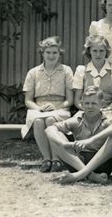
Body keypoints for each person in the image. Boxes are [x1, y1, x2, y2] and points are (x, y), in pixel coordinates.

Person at [45, 86, 112, 184]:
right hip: (78, 164)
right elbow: (49, 129)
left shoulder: (106, 120)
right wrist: (63, 144)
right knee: (55, 137)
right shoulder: (76, 121)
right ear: (82, 105)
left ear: (101, 104)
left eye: (94, 103)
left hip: (101, 165)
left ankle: (80, 175)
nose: (90, 106)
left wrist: (91, 140)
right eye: (87, 103)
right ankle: (91, 176)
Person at [23, 36, 74, 172]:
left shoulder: (66, 71)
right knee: (39, 121)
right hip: (38, 108)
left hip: (60, 108)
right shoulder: (33, 73)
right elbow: (28, 100)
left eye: (55, 53)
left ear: (59, 53)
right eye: (48, 52)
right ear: (42, 53)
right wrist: (39, 108)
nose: (51, 56)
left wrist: (57, 107)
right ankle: (46, 159)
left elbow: (70, 100)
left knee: (51, 119)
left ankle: (57, 159)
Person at [73, 35, 112, 120]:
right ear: (89, 51)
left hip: (107, 111)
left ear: (106, 51)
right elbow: (77, 100)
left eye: (101, 51)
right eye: (95, 51)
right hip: (85, 111)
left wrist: (107, 109)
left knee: (107, 127)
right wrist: (87, 109)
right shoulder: (81, 70)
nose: (98, 54)